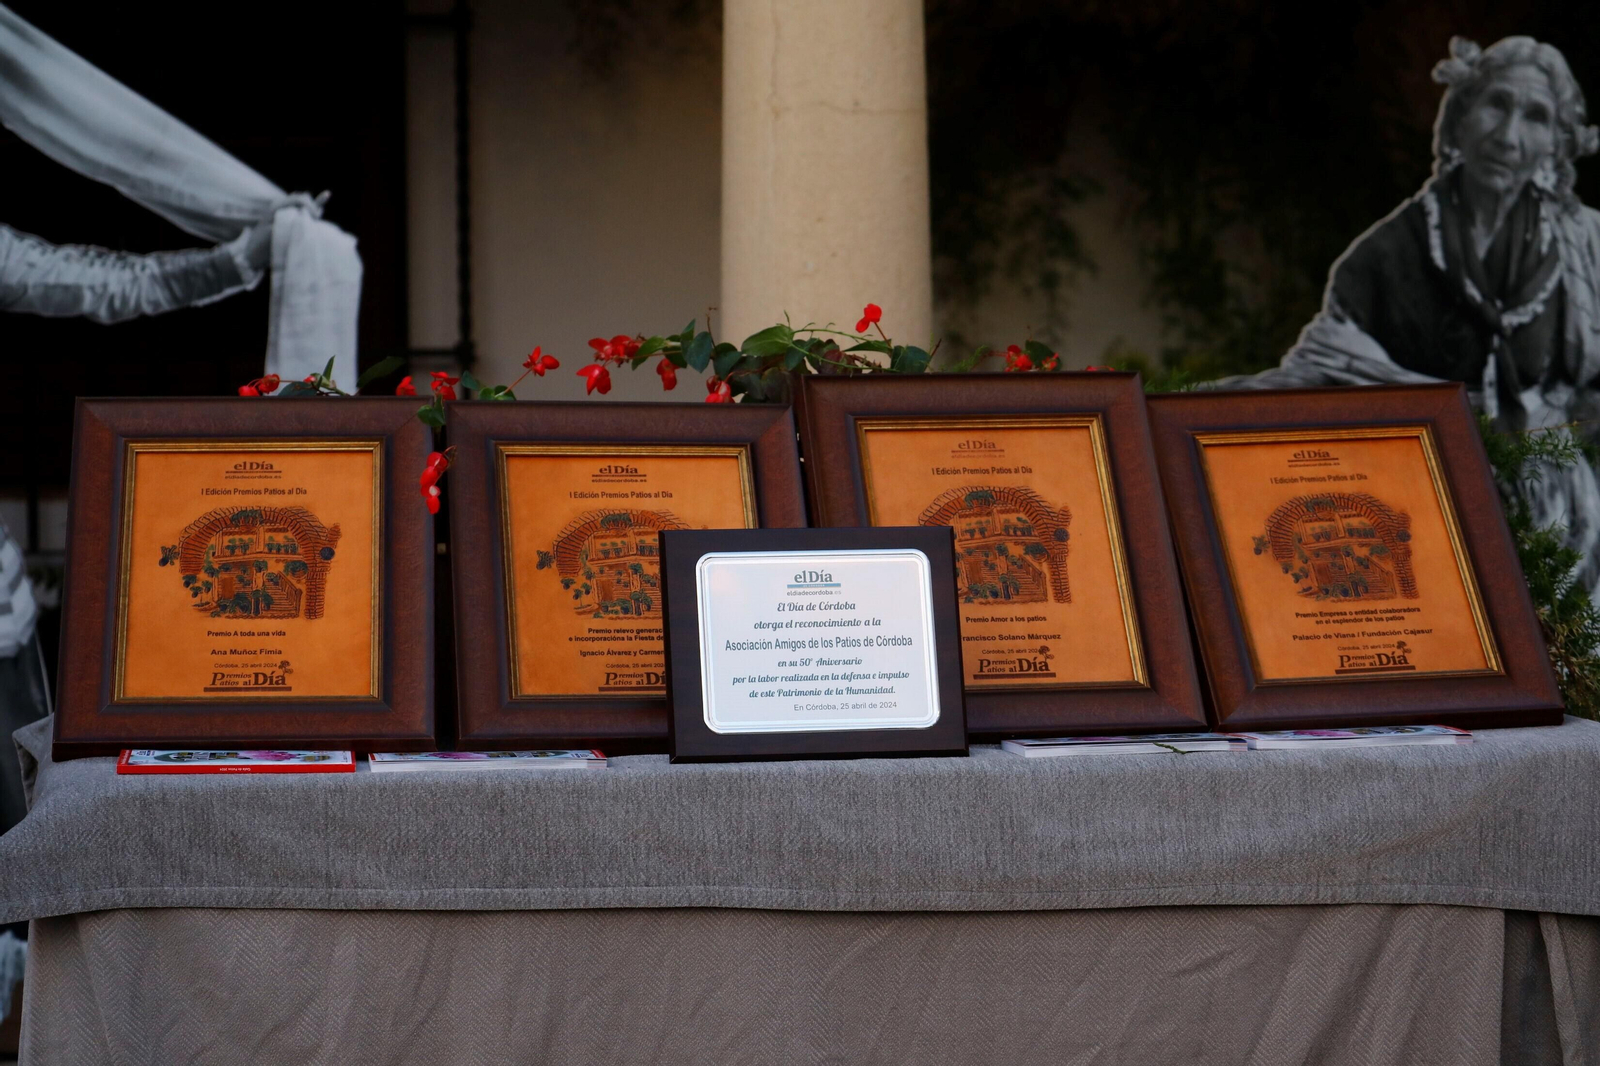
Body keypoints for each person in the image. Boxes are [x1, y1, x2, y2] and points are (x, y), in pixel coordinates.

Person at [1220, 36, 1600, 600]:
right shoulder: (1380, 261)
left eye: (1536, 117)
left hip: (1564, 534)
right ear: (1460, 116)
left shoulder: (1587, 248)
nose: (1509, 135)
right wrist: (1194, 412)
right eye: (1496, 104)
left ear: (1557, 143)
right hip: (1415, 519)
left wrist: (1551, 440)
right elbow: (1321, 378)